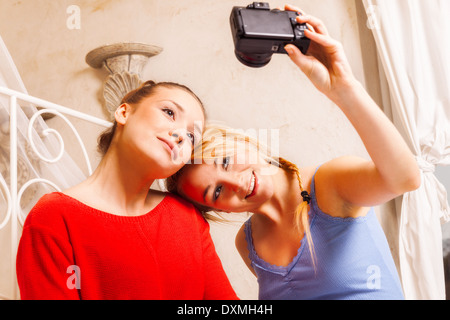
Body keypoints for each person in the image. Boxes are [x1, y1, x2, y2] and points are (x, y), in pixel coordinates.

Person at [166, 5, 421, 300]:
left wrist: (343, 88)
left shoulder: (329, 184)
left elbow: (405, 179)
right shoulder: (246, 244)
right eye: (217, 191)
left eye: (225, 160)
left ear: (243, 141)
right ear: (221, 210)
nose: (236, 184)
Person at [16, 80, 238, 300]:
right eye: (169, 112)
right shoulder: (53, 218)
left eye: (191, 137)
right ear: (124, 112)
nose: (180, 135)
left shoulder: (188, 218)